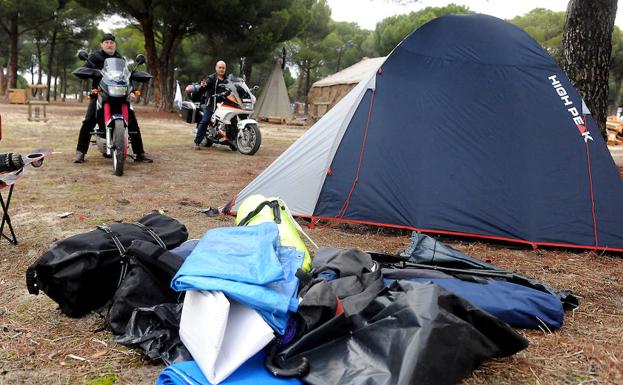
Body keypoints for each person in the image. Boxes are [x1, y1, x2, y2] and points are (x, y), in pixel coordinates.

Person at [74, 33, 152, 163]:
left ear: (114, 44)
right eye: (106, 42)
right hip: (100, 92)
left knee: (132, 121)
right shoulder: (94, 57)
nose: (109, 45)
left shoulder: (119, 58)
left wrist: (131, 90)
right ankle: (80, 152)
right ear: (102, 44)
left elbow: (126, 77)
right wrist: (88, 72)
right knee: (88, 121)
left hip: (119, 93)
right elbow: (85, 69)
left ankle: (140, 153)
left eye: (111, 42)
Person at [193, 60, 227, 150]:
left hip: (224, 106)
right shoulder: (211, 78)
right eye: (220, 67)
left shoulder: (227, 80)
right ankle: (197, 142)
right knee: (205, 121)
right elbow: (205, 86)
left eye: (223, 68)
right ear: (216, 68)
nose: (221, 69)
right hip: (212, 105)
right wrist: (203, 86)